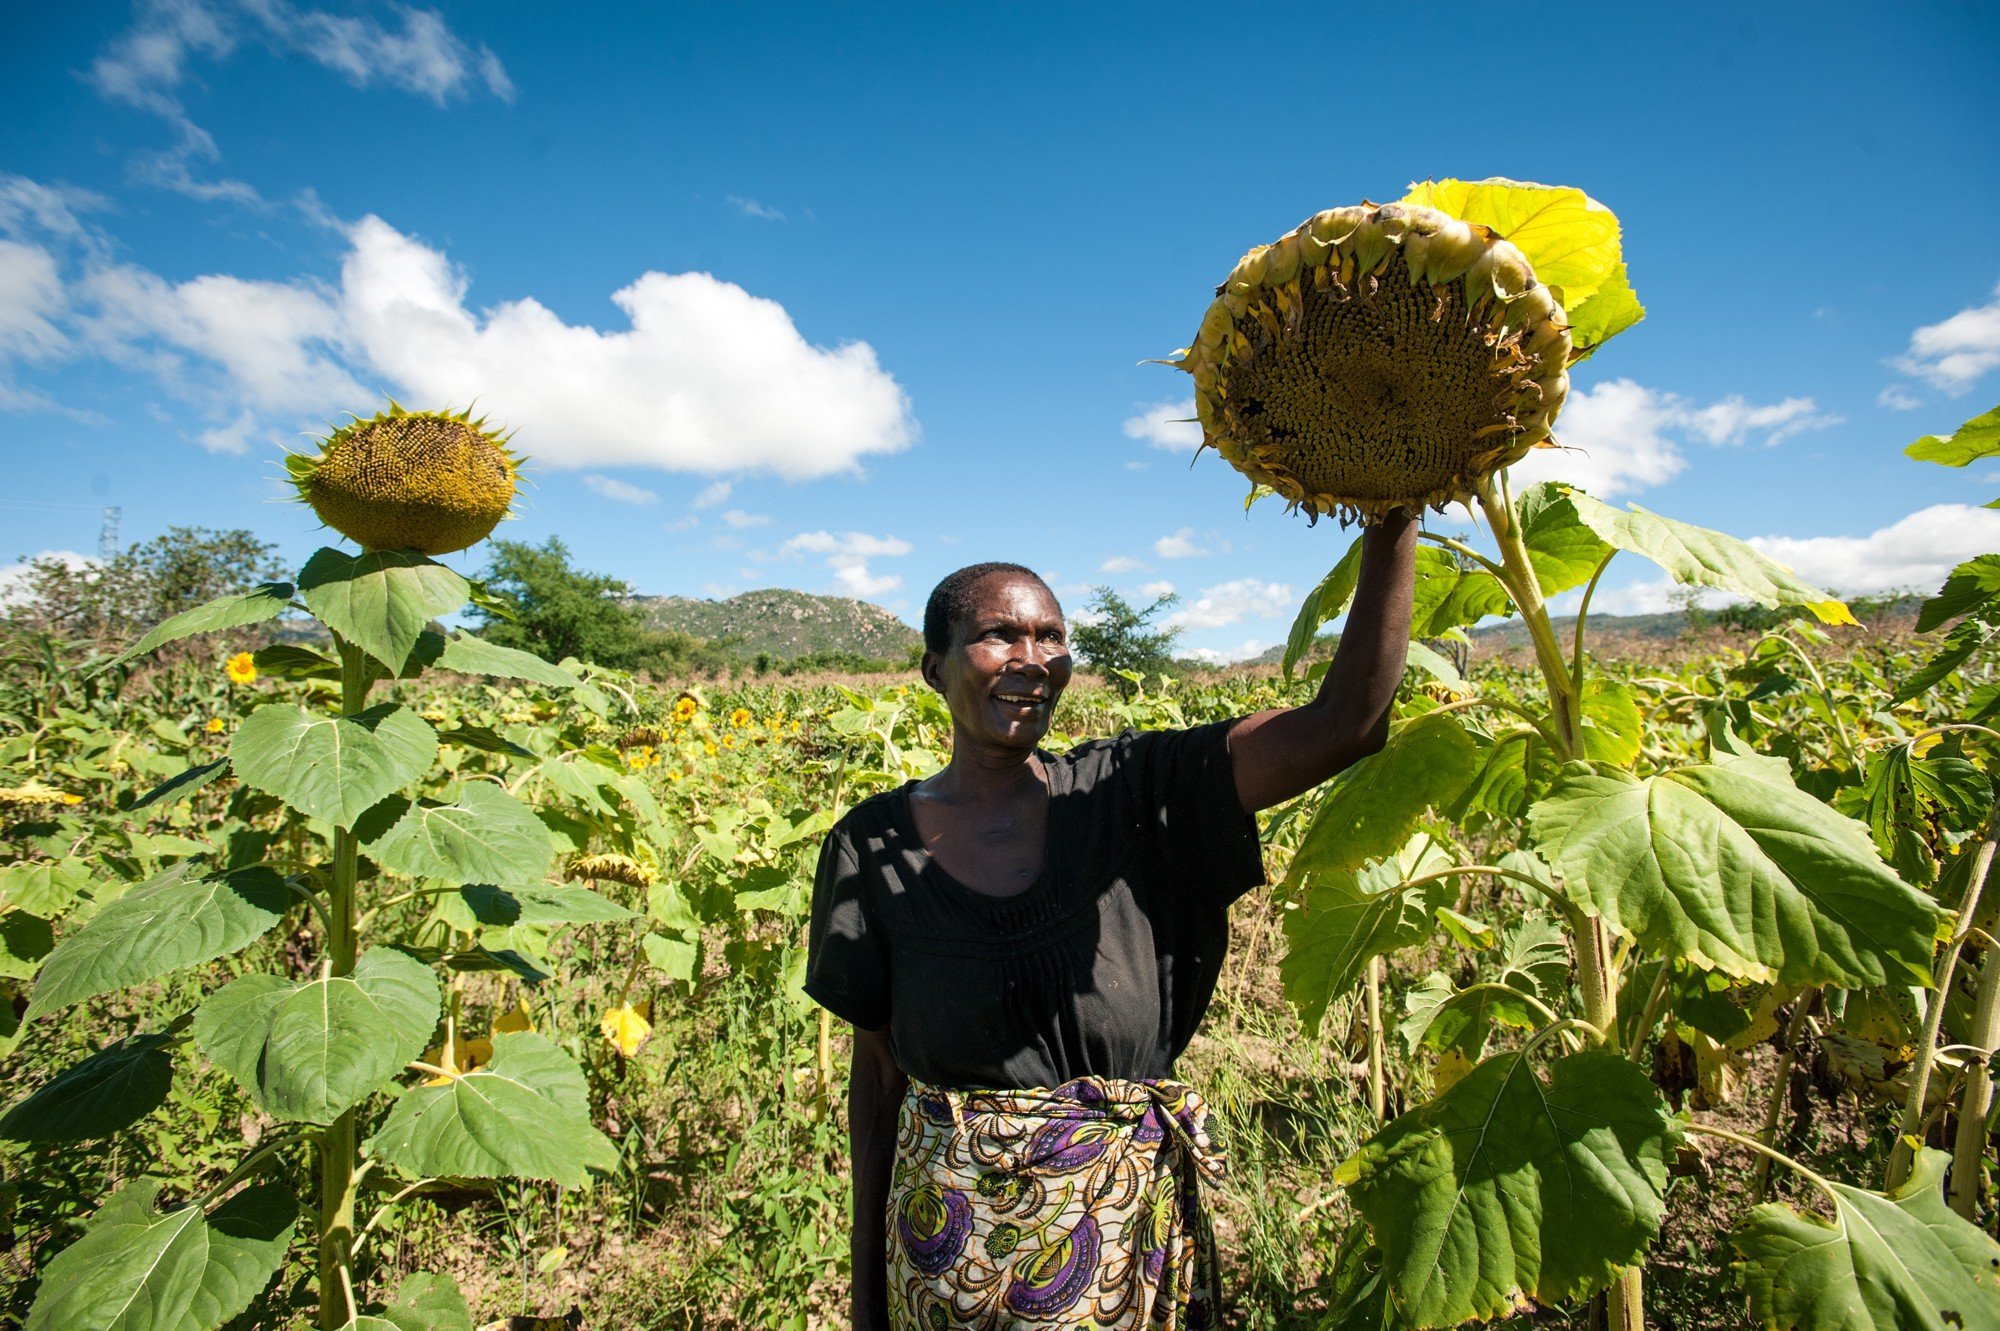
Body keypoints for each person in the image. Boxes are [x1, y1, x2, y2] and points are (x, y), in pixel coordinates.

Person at [806, 513, 1418, 1330]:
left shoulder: (1132, 791)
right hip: (949, 1256)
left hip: (1128, 1242)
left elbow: (1346, 724)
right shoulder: (871, 844)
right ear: (934, 667)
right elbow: (877, 1075)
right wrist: (866, 1293)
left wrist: (1394, 518)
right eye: (997, 635)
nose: (1031, 659)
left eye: (1051, 636)